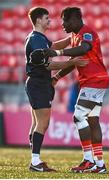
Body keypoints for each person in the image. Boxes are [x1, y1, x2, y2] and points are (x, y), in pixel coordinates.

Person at [44, 7, 109, 173]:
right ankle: (100, 164)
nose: (63, 24)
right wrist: (57, 78)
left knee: (79, 115)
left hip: (94, 80)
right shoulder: (74, 36)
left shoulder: (87, 32)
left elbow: (84, 49)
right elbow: (74, 61)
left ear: (75, 19)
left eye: (65, 20)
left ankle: (88, 160)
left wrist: (58, 52)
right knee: (93, 120)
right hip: (93, 81)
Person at [25, 7, 88, 172]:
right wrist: (72, 62)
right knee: (43, 123)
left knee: (36, 122)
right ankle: (35, 162)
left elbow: (54, 46)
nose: (50, 20)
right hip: (39, 82)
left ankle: (35, 159)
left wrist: (71, 38)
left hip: (37, 83)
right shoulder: (37, 39)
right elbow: (48, 65)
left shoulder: (39, 38)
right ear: (38, 20)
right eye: (47, 18)